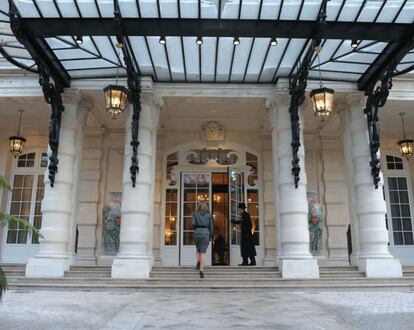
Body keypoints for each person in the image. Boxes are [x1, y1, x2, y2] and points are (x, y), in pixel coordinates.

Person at [192, 201, 213, 278]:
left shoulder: (195, 214)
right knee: (203, 252)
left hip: (197, 233)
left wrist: (196, 228)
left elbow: (193, 224)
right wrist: (210, 236)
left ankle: (198, 261)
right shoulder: (209, 215)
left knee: (198, 249)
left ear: (199, 206)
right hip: (205, 233)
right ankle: (201, 270)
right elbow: (211, 227)